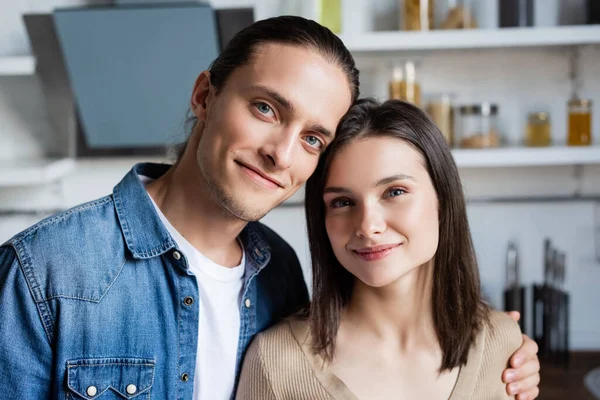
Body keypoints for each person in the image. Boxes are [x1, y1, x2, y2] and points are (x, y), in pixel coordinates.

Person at [0, 16, 539, 400]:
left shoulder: (277, 273)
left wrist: (504, 350)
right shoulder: (45, 270)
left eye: (312, 139)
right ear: (204, 97)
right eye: (265, 108)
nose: (280, 152)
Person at [236, 99, 540, 400]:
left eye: (395, 192)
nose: (368, 226)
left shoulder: (504, 345)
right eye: (342, 202)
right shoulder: (275, 364)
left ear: (443, 200)